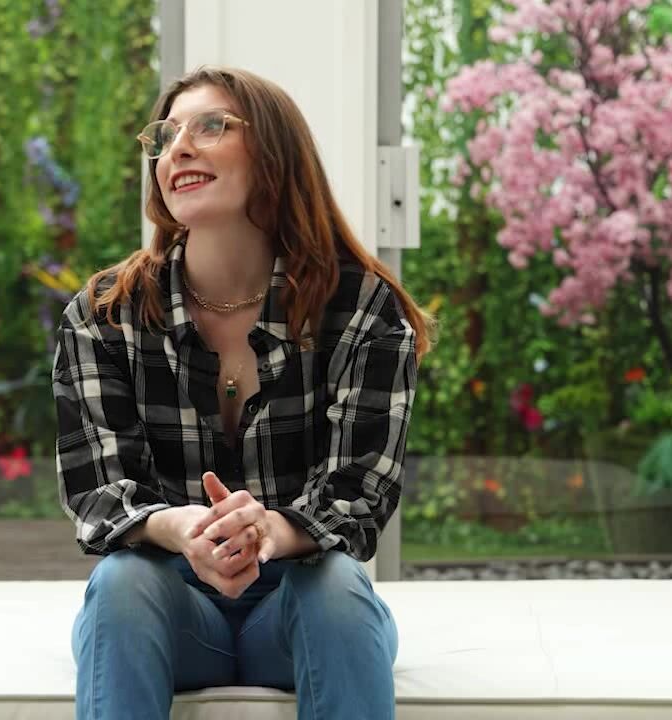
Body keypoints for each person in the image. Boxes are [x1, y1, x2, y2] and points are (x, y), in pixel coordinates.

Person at [52, 65, 434, 720]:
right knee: (120, 583)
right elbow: (101, 493)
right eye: (165, 136)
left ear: (275, 155)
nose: (178, 149)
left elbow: (359, 494)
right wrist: (186, 529)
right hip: (167, 608)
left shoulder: (362, 308)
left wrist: (268, 532)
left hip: (302, 604)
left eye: (210, 126)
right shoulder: (104, 315)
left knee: (337, 587)